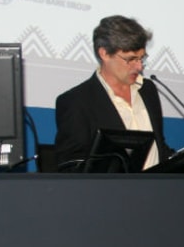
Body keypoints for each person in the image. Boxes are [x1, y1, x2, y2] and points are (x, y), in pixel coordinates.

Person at [54, 15, 175, 170]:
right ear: (104, 54)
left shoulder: (148, 89)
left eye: (142, 58)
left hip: (158, 184)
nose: (139, 67)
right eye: (130, 59)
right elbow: (71, 166)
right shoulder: (76, 101)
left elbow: (158, 149)